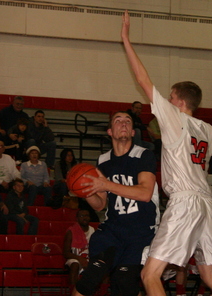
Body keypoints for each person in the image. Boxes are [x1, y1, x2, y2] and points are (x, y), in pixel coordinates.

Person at [119, 11, 212, 296]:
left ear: (180, 101)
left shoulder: (175, 118)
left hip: (185, 202)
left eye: (170, 97)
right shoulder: (205, 128)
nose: (166, 102)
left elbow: (143, 79)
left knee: (150, 274)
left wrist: (126, 40)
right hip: (207, 204)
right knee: (210, 276)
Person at [72, 110, 159, 296]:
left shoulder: (145, 155)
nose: (124, 123)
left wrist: (106, 184)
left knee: (124, 280)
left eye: (128, 121)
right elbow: (99, 205)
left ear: (133, 132)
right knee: (91, 277)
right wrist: (84, 190)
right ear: (110, 131)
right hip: (113, 229)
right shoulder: (103, 161)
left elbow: (144, 193)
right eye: (118, 121)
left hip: (140, 231)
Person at [63, 209, 95, 287]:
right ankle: (73, 291)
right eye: (82, 216)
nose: (85, 218)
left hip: (89, 257)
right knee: (75, 264)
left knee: (102, 266)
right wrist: (80, 259)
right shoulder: (71, 231)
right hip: (74, 257)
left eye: (87, 215)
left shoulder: (92, 230)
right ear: (77, 218)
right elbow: (66, 253)